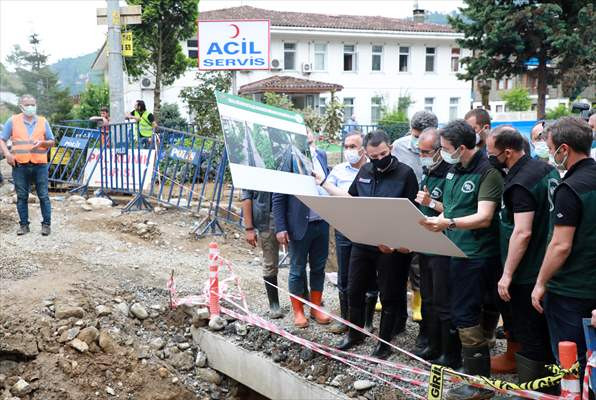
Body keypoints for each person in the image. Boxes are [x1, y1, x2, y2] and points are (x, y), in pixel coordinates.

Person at [420, 119, 503, 399]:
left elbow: (484, 217)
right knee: (456, 310)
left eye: (444, 148)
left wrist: (448, 223)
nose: (440, 153)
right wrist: (434, 213)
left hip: (477, 255)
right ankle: (473, 374)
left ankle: (480, 384)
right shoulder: (454, 170)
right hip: (453, 250)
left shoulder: (488, 172)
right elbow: (451, 208)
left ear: (463, 147)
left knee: (466, 313)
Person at [487, 125, 560, 388]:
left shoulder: (520, 183)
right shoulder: (544, 168)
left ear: (507, 153)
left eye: (491, 152)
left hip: (528, 269)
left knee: (531, 332)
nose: (488, 156)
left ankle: (536, 388)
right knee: (543, 329)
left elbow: (522, 232)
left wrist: (507, 274)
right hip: (548, 262)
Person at [337, 129, 418, 359]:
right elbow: (354, 200)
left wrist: (397, 241)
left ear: (390, 148)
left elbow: (412, 214)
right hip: (364, 241)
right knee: (354, 289)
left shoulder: (406, 174)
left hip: (392, 247)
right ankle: (355, 333)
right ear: (366, 154)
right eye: (374, 157)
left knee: (390, 294)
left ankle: (384, 342)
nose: (380, 160)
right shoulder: (364, 170)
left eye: (383, 154)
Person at [531, 117, 596, 393]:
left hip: (570, 287)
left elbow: (560, 245)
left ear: (564, 149)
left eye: (550, 146)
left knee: (571, 363)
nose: (548, 152)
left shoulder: (569, 188)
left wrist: (541, 283)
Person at [315, 131, 375, 334]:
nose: (349, 150)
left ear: (363, 149)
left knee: (368, 276)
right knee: (344, 277)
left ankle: (366, 322)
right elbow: (324, 196)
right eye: (346, 146)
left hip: (368, 231)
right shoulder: (339, 171)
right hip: (343, 231)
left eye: (353, 146)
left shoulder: (373, 169)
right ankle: (346, 320)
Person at [412, 127, 462, 369]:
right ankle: (432, 344)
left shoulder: (451, 172)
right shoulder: (427, 171)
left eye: (426, 151)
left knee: (443, 301)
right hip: (424, 243)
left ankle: (449, 352)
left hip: (444, 245)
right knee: (428, 298)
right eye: (419, 151)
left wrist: (430, 202)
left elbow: (454, 212)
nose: (422, 155)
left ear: (439, 150)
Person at [272, 130, 331, 328]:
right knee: (297, 269)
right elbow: (278, 196)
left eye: (309, 138)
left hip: (321, 223)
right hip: (298, 225)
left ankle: (315, 308)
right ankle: (298, 311)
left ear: (314, 138)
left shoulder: (321, 156)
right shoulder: (288, 159)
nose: (307, 142)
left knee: (318, 268)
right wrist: (280, 227)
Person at [391, 110, 439, 347]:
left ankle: (421, 317)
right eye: (414, 135)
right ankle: (397, 317)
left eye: (421, 137)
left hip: (428, 215)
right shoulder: (398, 147)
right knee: (397, 264)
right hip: (402, 212)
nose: (416, 141)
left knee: (422, 269)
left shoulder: (441, 152)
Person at [0, 94, 54, 236]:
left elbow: (52, 141)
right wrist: (7, 154)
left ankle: (46, 224)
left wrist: (42, 143)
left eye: (33, 104)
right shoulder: (13, 121)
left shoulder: (43, 121)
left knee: (43, 196)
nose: (31, 107)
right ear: (21, 106)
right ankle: (24, 225)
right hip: (20, 165)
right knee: (22, 196)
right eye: (27, 104)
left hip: (40, 164)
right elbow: (2, 140)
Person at [241, 189, 283, 319]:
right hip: (266, 218)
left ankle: (303, 295)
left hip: (288, 214)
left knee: (298, 258)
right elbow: (247, 197)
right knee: (270, 262)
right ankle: (274, 304)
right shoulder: (252, 168)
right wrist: (249, 228)